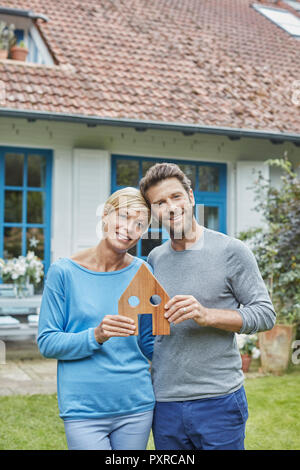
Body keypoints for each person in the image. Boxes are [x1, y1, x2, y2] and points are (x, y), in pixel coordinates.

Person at [139, 162, 276, 450]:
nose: (171, 207)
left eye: (176, 196)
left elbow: (265, 314)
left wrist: (206, 314)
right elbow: (151, 326)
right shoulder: (155, 259)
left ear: (191, 197)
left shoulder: (231, 251)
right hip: (165, 403)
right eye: (160, 203)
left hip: (219, 399)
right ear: (154, 213)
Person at [37, 187, 155, 450]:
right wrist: (96, 335)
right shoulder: (63, 272)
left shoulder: (143, 272)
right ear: (105, 215)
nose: (129, 228)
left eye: (139, 224)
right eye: (124, 216)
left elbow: (149, 344)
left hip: (136, 406)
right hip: (83, 409)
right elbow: (47, 342)